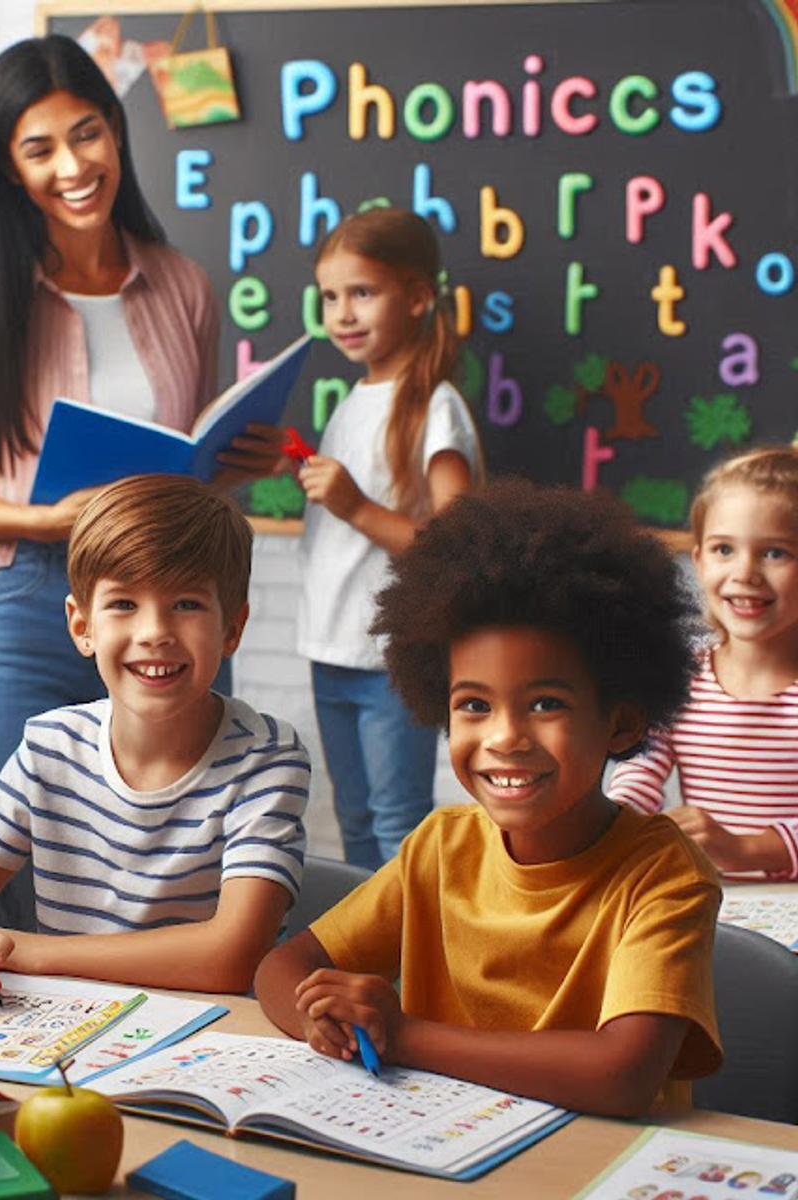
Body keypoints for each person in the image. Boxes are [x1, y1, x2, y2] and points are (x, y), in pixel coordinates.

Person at [256, 480, 722, 1117]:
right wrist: (325, 1020)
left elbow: (624, 1074)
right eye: (474, 705)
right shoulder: (440, 848)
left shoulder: (664, 877)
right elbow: (283, 965)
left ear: (621, 720)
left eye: (546, 704)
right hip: (438, 1146)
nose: (504, 737)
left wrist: (405, 1035)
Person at [0, 35, 279, 775]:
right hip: (23, 595)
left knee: (182, 823)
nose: (72, 168)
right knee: (26, 846)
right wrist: (43, 520)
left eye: (86, 135)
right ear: (10, 166)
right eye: (40, 150)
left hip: (168, 589)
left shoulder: (183, 285)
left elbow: (186, 458)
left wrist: (233, 464)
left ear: (116, 129)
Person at [0, 475, 310, 997]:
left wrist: (35, 953)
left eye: (187, 604)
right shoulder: (49, 747)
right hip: (69, 1032)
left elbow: (233, 956)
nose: (154, 631)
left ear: (232, 628)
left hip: (211, 1040)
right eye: (124, 604)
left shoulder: (267, 759)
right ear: (82, 626)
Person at [296, 208, 482, 870]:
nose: (342, 313)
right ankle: (366, 959)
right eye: (330, 296)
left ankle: (409, 968)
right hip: (332, 648)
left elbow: (453, 545)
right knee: (353, 820)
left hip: (391, 656)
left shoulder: (435, 405)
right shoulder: (352, 400)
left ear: (418, 296)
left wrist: (352, 505)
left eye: (362, 293)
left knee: (397, 822)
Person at [609, 446, 798, 879]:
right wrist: (617, 823)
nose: (745, 572)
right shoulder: (681, 678)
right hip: (712, 908)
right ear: (698, 562)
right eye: (723, 550)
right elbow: (638, 772)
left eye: (775, 553)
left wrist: (746, 849)